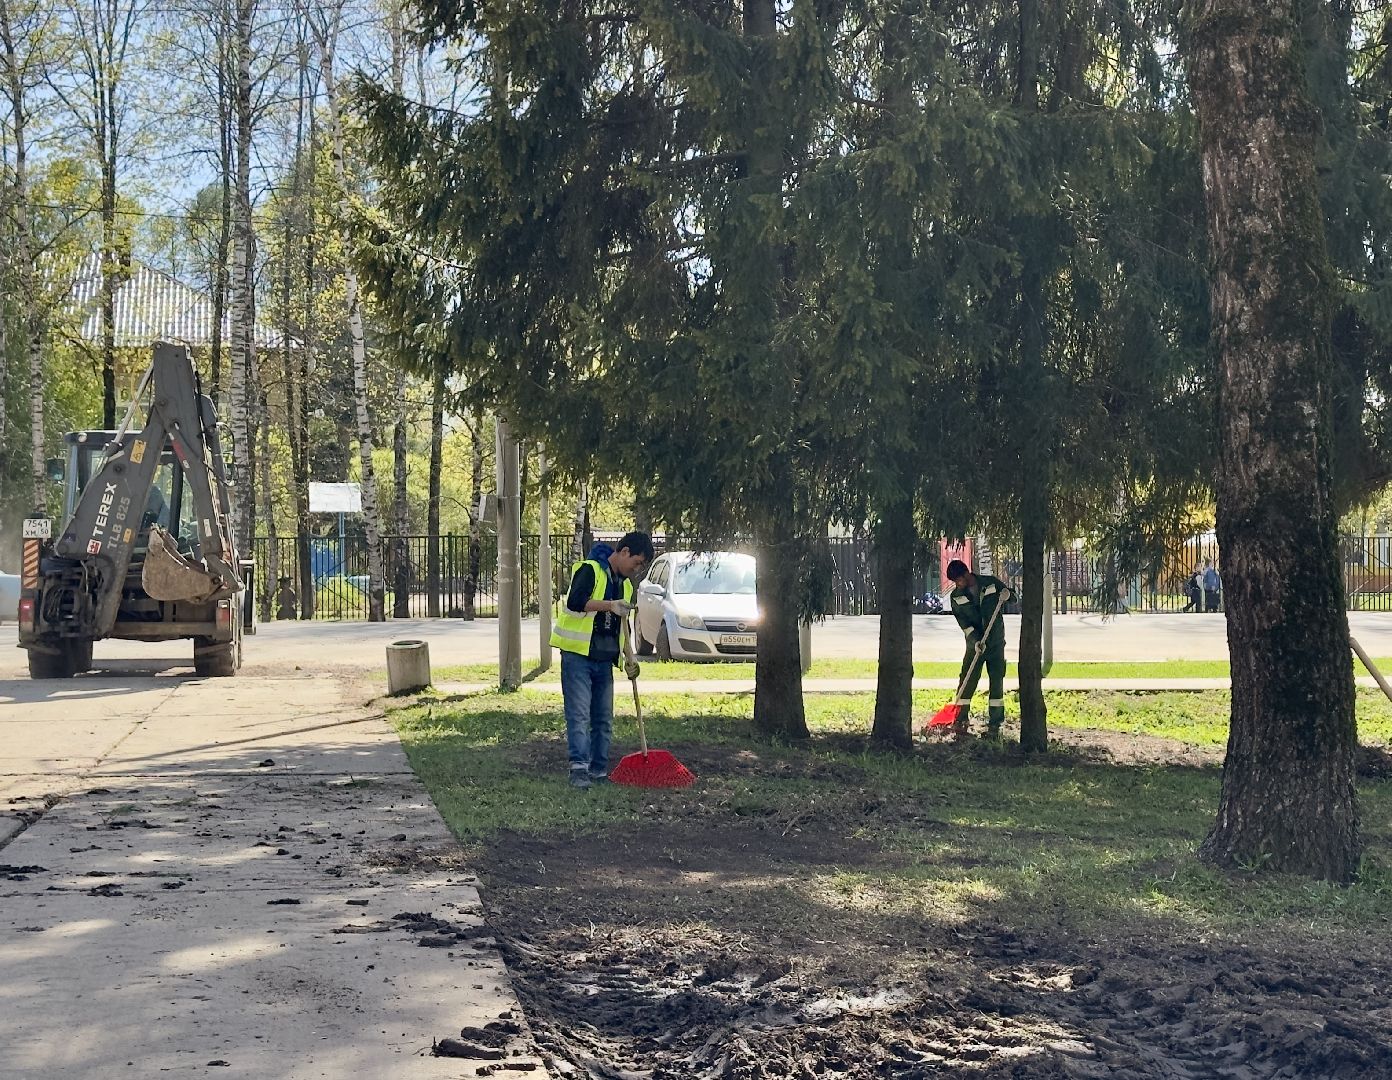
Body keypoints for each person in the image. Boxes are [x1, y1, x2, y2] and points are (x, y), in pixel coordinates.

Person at [550, 531, 654, 789]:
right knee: (579, 715)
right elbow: (576, 602)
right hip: (578, 656)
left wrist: (630, 658)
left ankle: (598, 770)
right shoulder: (590, 570)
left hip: (604, 659)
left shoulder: (626, 585)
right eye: (637, 562)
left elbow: (623, 626)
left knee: (603, 719)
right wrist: (609, 605)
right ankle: (579, 770)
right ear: (625, 551)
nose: (636, 569)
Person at [946, 558, 1014, 740]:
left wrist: (1007, 594)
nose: (957, 584)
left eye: (958, 580)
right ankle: (960, 717)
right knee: (967, 680)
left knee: (996, 681)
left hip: (996, 643)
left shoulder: (990, 583)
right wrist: (975, 641)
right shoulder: (956, 597)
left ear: (966, 574)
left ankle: (995, 722)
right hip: (975, 646)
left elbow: (1012, 597)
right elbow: (965, 624)